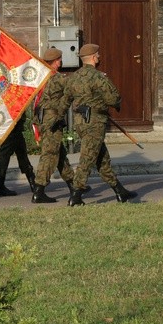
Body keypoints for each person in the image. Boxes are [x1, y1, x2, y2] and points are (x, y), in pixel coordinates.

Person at [62, 43, 138, 206]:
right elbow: (113, 98)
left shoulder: (73, 77)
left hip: (80, 123)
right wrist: (112, 103)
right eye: (98, 55)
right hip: (95, 123)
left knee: (102, 159)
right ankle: (76, 196)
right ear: (94, 57)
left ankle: (120, 191)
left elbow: (66, 99)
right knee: (87, 159)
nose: (100, 57)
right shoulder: (98, 77)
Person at [31, 48, 79, 203]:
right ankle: (39, 190)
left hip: (44, 120)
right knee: (50, 154)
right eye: (59, 59)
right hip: (52, 120)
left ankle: (73, 185)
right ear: (54, 61)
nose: (61, 62)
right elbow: (72, 85)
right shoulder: (56, 78)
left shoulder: (41, 77)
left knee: (60, 155)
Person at [0, 111, 36, 197]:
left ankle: (33, 183)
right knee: (6, 156)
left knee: (20, 153)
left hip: (12, 124)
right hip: (11, 123)